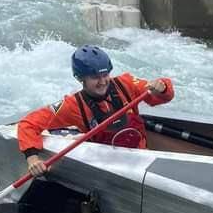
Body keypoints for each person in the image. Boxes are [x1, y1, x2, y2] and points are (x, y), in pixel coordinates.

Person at [18, 46, 175, 177]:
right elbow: (28, 124)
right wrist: (32, 158)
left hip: (142, 158)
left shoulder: (126, 83)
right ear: (81, 79)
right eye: (95, 77)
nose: (102, 82)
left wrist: (162, 86)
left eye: (105, 74)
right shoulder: (72, 105)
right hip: (109, 169)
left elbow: (161, 95)